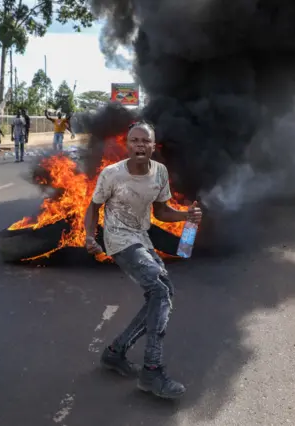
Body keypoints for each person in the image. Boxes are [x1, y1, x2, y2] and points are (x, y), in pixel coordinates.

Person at [84, 121, 202, 400]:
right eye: (134, 140)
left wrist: (187, 215)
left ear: (152, 145)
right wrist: (90, 236)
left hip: (141, 237)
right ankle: (152, 370)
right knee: (160, 291)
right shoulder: (111, 174)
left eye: (144, 141)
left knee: (161, 295)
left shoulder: (160, 173)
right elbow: (93, 208)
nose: (139, 145)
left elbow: (161, 212)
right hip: (118, 240)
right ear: (128, 145)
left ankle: (115, 353)